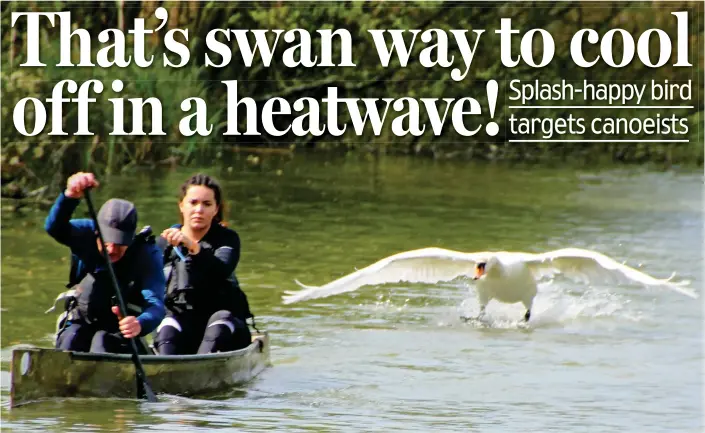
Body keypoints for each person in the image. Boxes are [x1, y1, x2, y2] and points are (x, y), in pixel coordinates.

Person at [45, 172, 166, 353]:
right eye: (106, 241)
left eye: (119, 244)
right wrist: (69, 197)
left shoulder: (147, 253)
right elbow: (54, 228)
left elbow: (156, 305)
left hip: (118, 330)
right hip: (82, 319)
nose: (111, 250)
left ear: (131, 239)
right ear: (96, 233)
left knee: (101, 342)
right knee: (70, 341)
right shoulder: (85, 232)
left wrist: (140, 323)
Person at [154, 173, 254, 355]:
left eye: (207, 204)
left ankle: (200, 365)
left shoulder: (228, 239)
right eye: (193, 203)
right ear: (181, 205)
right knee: (166, 326)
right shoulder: (162, 244)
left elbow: (220, 270)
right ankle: (166, 370)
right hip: (182, 322)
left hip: (224, 323)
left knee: (219, 324)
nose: (199, 210)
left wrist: (192, 246)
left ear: (216, 209)